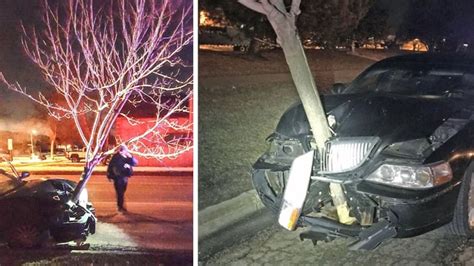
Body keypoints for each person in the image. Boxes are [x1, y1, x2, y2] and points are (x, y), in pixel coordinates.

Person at [107, 144, 138, 213]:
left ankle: (121, 206)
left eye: (125, 150)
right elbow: (111, 166)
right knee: (120, 193)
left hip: (125, 177)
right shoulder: (116, 157)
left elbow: (135, 163)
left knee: (122, 192)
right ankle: (120, 207)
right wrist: (109, 175)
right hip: (118, 177)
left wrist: (130, 157)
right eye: (123, 150)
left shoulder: (127, 157)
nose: (125, 152)